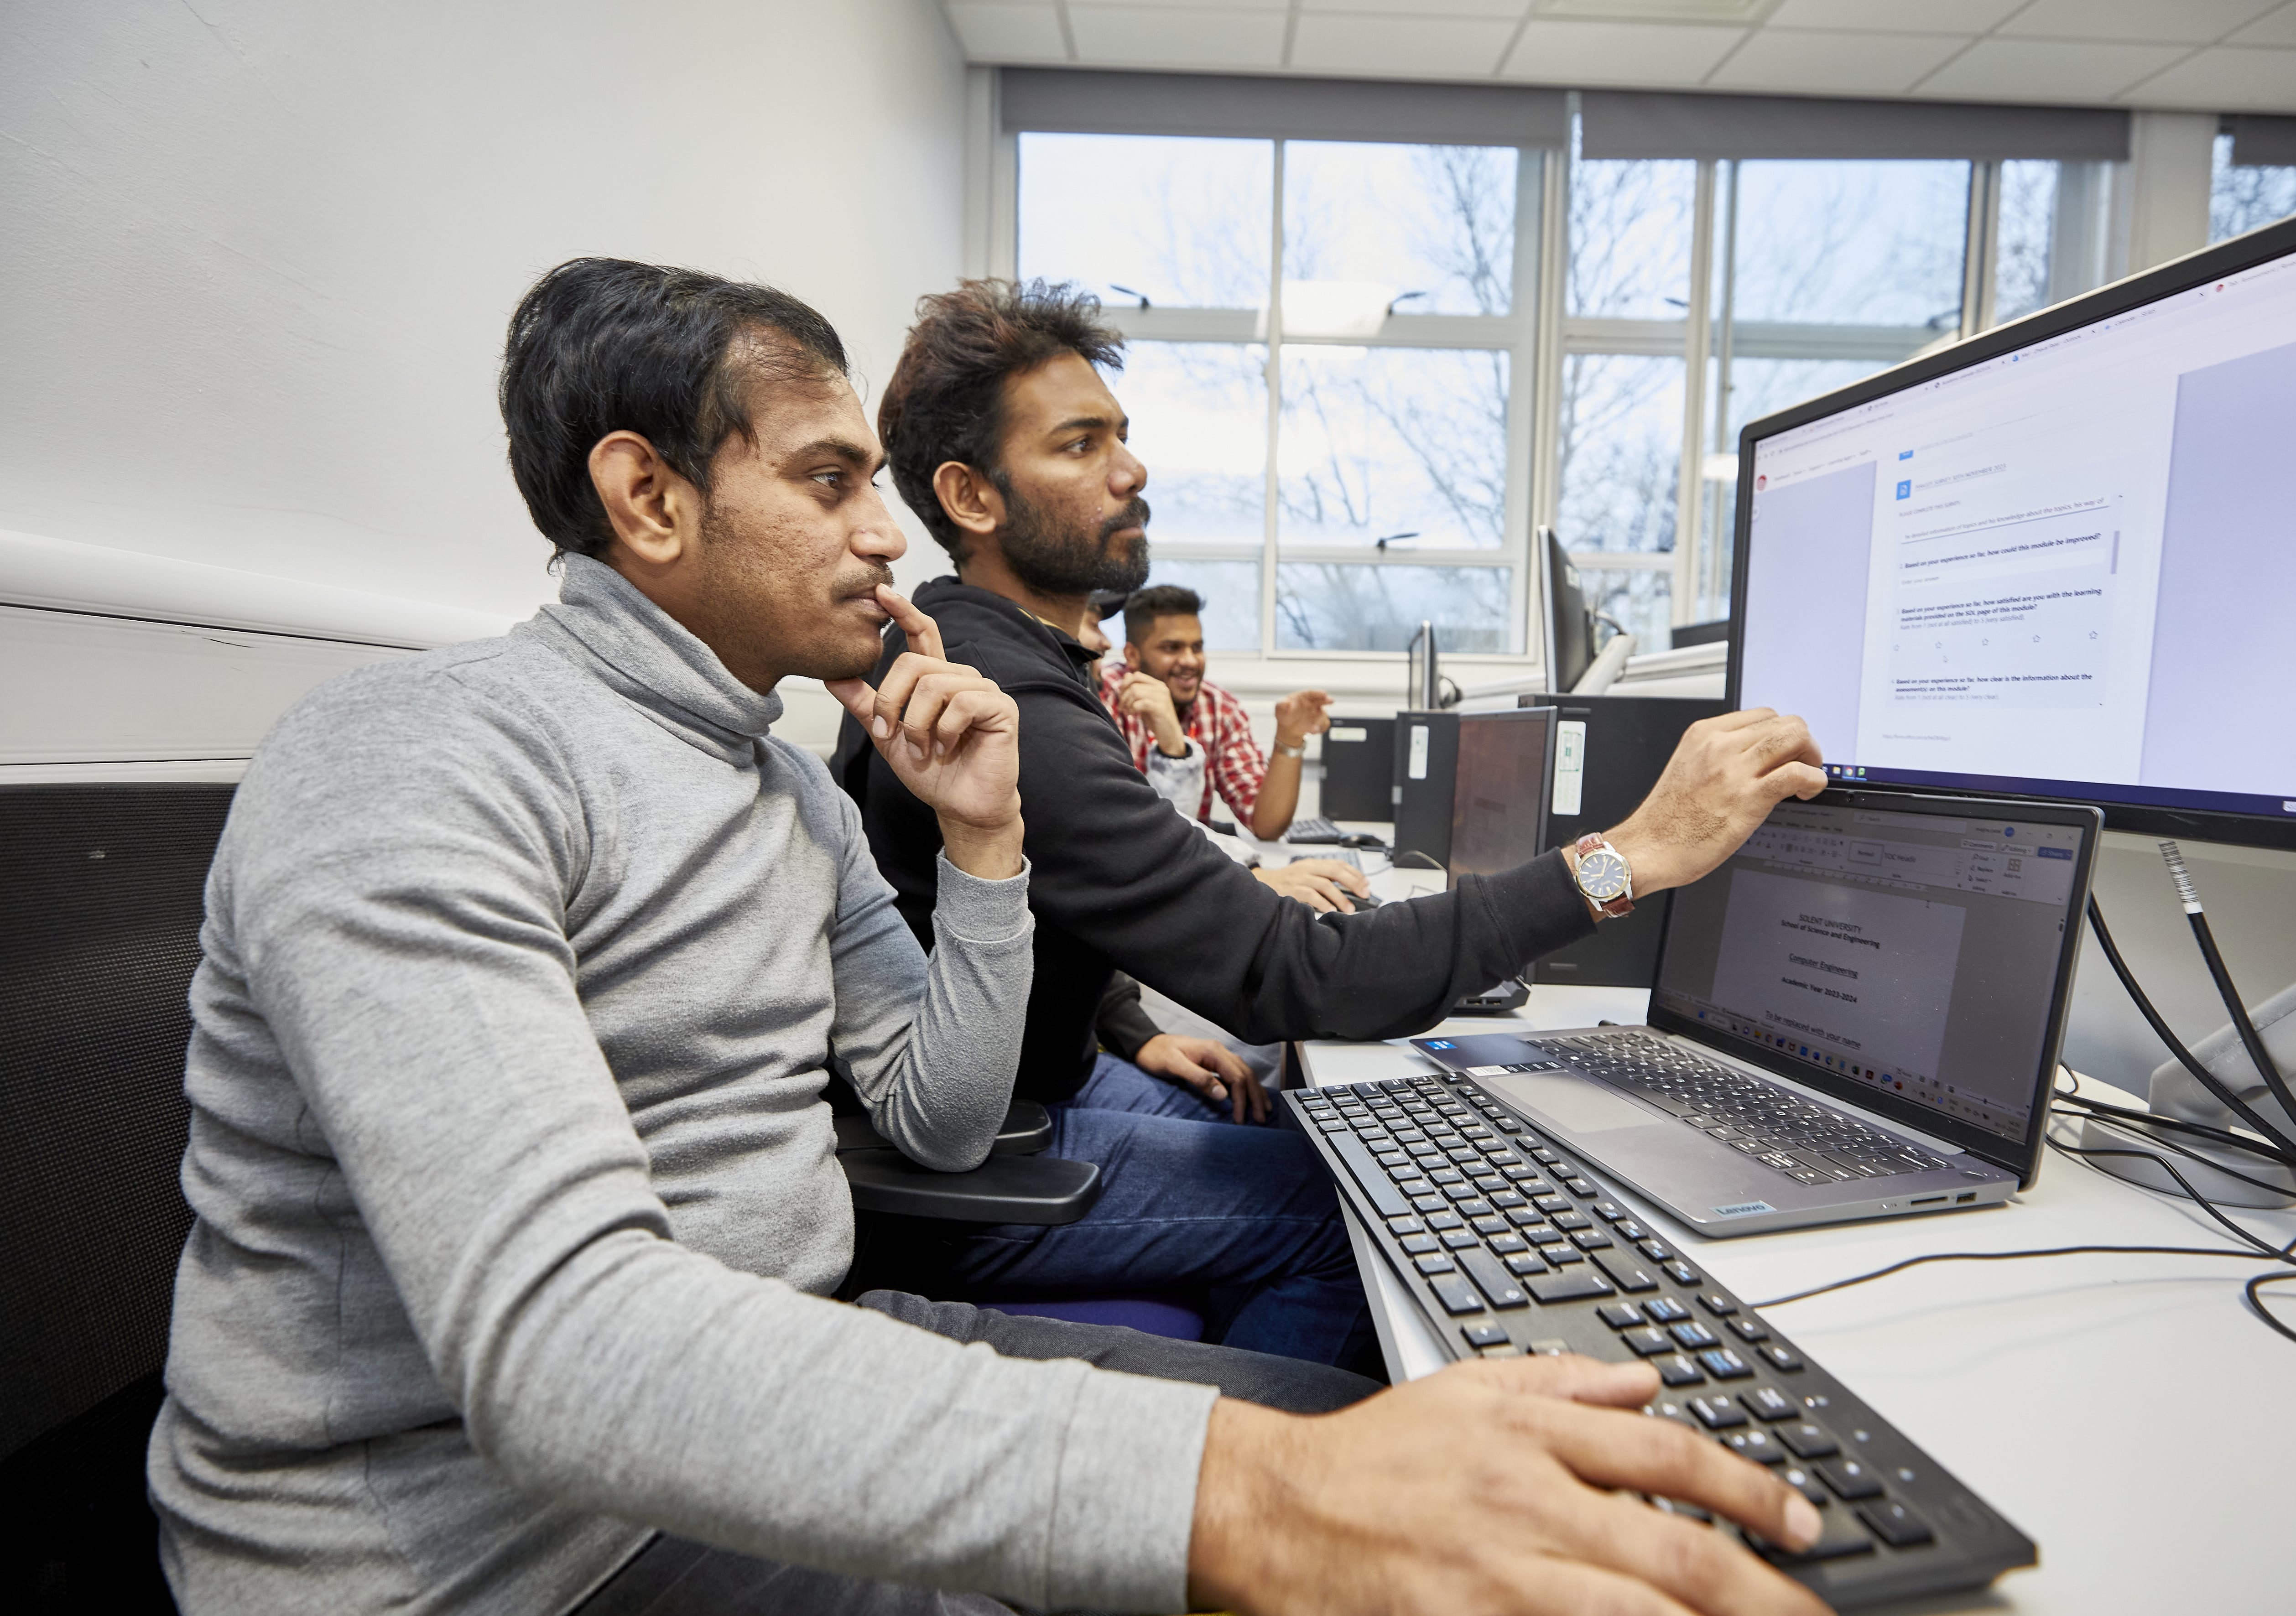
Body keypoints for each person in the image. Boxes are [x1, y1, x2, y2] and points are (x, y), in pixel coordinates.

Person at [148, 255, 1831, 1616]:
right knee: (1340, 1506)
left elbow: (941, 1115)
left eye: (874, 485)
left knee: (1435, 1453)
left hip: (789, 1364)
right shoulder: (415, 758)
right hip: (508, 1552)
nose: (883, 537)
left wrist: (983, 847)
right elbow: (562, 1352)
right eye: (827, 483)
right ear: (648, 499)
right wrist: (1243, 1504)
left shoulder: (787, 790)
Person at [840, 275, 1825, 1122]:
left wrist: (1124, 1025)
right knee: (1351, 1224)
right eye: (1079, 446)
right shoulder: (1001, 697)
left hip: (1062, 1074)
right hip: (1012, 1139)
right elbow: (1310, 976)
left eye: (1122, 438)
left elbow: (1055, 903)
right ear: (972, 498)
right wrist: (1631, 855)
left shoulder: (1004, 654)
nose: (1132, 471)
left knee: (1319, 1127)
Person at [1099, 583, 1331, 839]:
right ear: (1132, 655)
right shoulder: (1102, 697)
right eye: (1172, 648)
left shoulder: (1219, 708)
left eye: (1197, 648)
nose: (1190, 661)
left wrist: (1290, 738)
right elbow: (1112, 826)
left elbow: (1266, 826)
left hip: (1189, 861)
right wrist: (1172, 742)